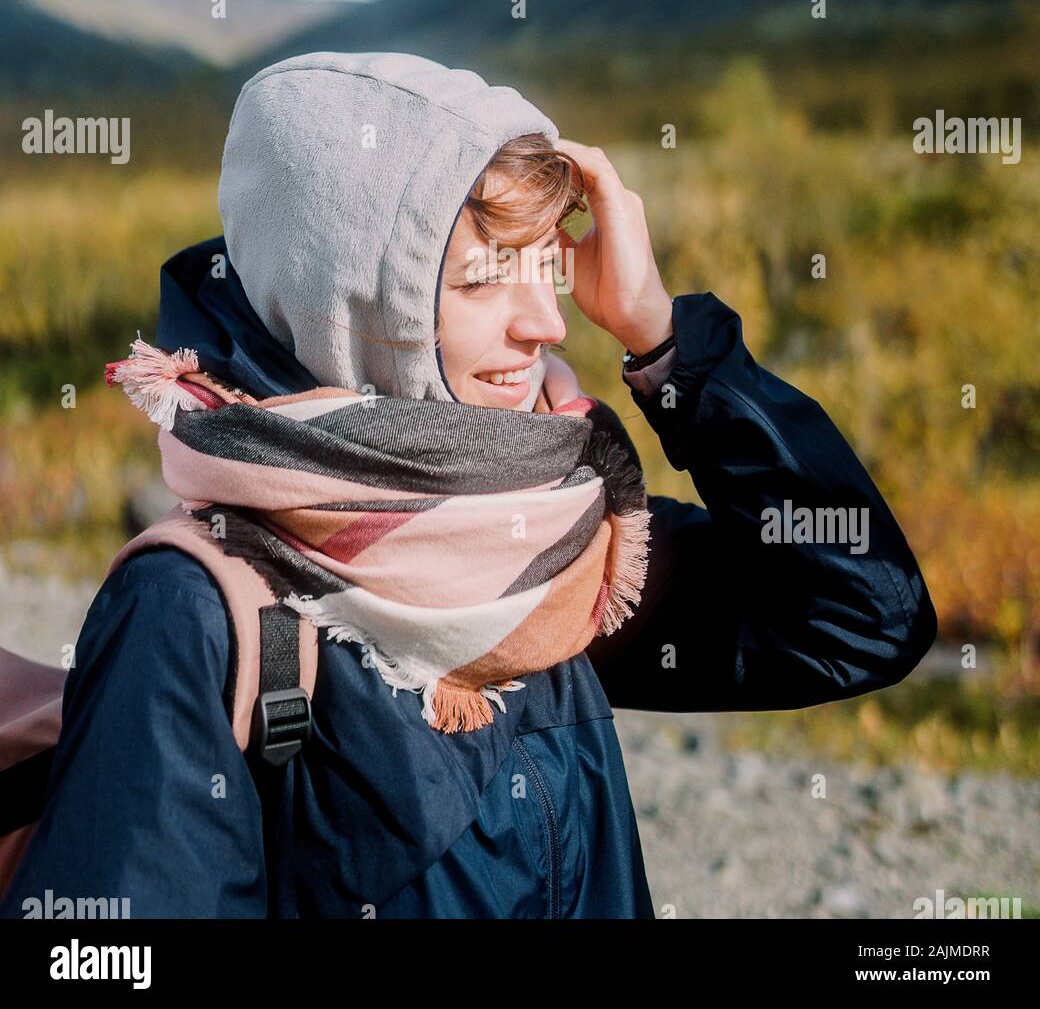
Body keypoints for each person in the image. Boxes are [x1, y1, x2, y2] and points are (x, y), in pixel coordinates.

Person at [0, 52, 938, 920]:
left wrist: (665, 344)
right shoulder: (194, 611)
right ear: (350, 301)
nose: (548, 325)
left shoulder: (549, 547)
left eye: (547, 268)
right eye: (486, 278)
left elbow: (863, 618)